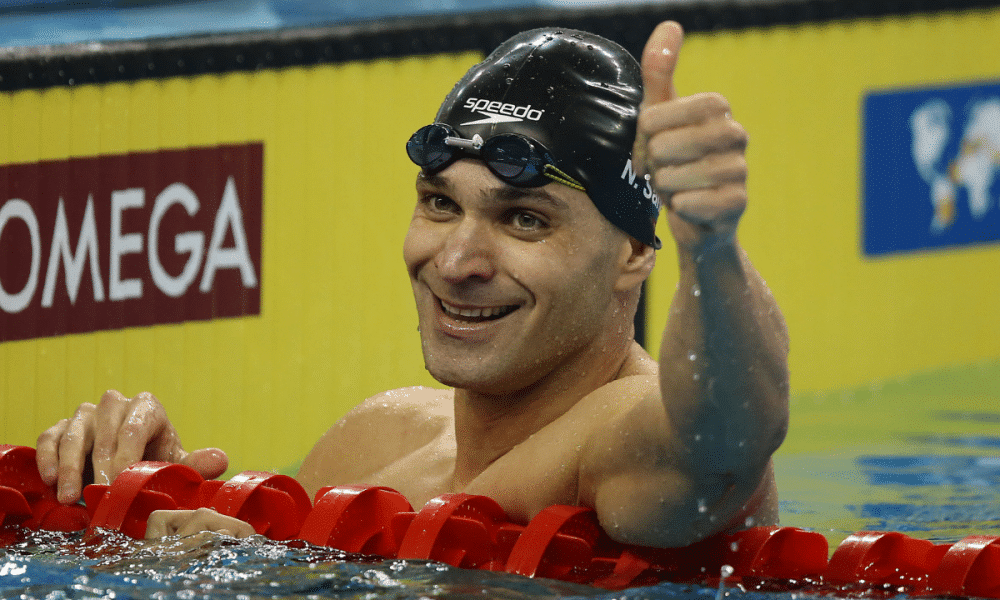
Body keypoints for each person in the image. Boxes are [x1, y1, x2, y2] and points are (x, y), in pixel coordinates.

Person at [35, 21, 789, 547]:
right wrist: (146, 497)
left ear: (634, 252)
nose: (457, 261)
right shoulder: (373, 439)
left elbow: (724, 438)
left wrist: (713, 246)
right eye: (440, 203)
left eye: (524, 220)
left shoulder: (623, 436)